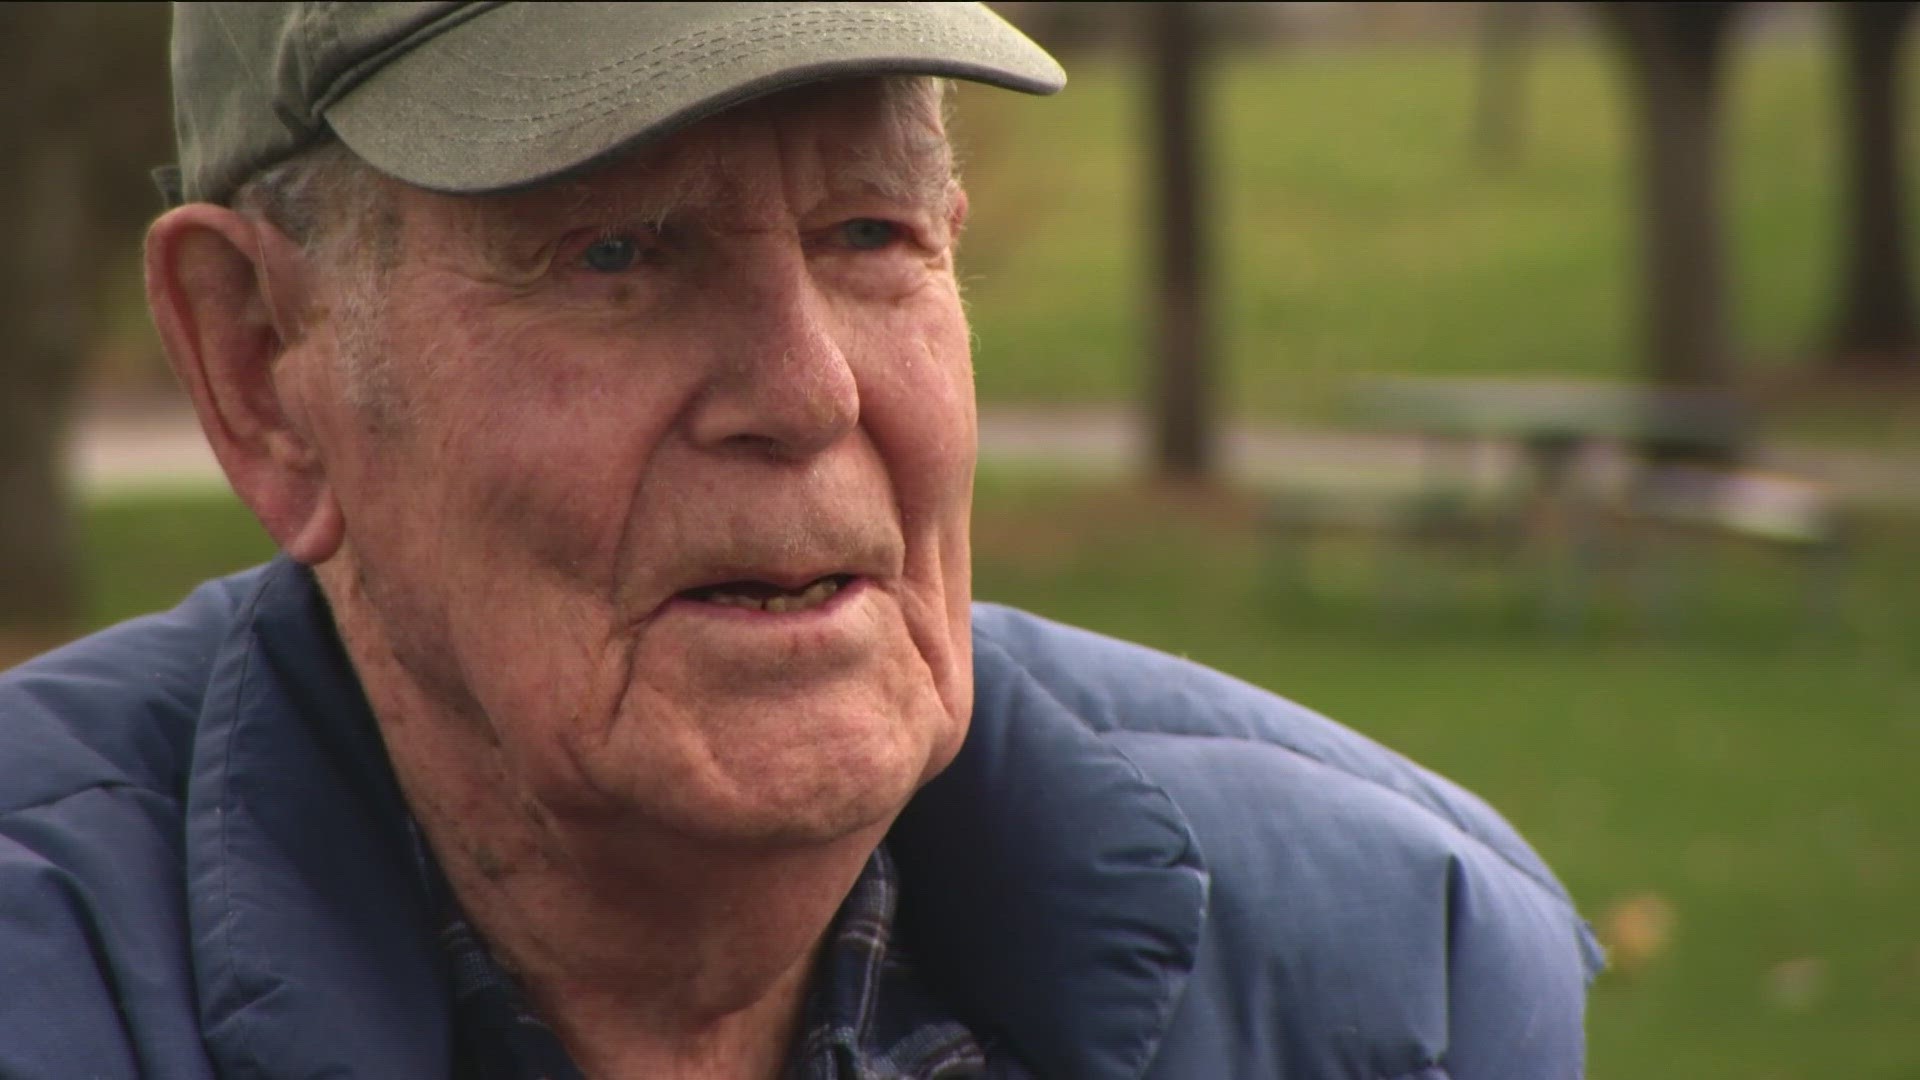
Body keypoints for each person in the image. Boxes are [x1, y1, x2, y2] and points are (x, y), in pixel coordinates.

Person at [0, 4, 1602, 1078]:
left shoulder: (1398, 980)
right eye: (615, 251)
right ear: (263, 367)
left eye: (869, 232)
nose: (807, 388)